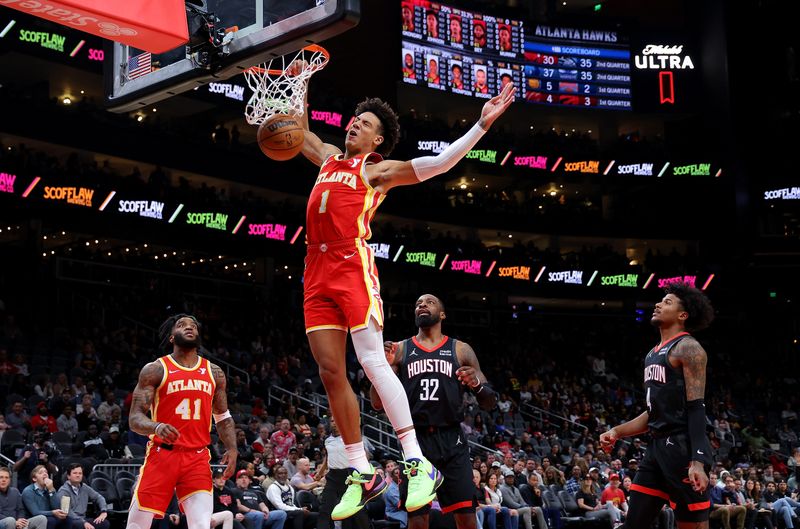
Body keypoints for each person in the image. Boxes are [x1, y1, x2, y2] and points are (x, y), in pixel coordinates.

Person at [293, 53, 515, 520]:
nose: (353, 125)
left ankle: (415, 460)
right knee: (331, 372)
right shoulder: (329, 159)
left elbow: (438, 163)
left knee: (372, 359)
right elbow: (300, 133)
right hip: (315, 269)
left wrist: (480, 126)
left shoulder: (375, 171)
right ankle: (362, 470)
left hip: (352, 264)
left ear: (378, 139)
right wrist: (299, 84)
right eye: (354, 119)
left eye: (364, 123)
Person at [374, 294, 497, 529]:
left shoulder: (460, 349)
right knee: (418, 519)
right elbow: (377, 403)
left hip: (452, 440)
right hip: (415, 441)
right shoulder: (400, 349)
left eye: (429, 302)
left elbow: (489, 402)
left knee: (467, 518)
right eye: (417, 303)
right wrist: (383, 368)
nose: (421, 304)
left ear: (442, 314)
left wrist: (477, 385)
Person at [600, 282, 715, 529]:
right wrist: (617, 431)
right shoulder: (652, 354)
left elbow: (696, 407)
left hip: (682, 449)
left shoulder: (689, 348)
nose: (658, 304)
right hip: (655, 448)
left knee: (692, 525)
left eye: (667, 302)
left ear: (682, 315)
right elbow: (654, 412)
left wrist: (698, 460)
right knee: (634, 523)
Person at [124, 315, 237, 529]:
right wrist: (156, 426)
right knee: (137, 526)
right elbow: (134, 418)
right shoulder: (155, 369)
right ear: (171, 337)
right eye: (182, 325)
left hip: (197, 457)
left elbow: (223, 417)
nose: (189, 327)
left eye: (193, 326)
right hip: (162, 455)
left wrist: (232, 448)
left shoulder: (214, 373)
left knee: (201, 525)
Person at [316, 418, 369, 529]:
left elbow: (364, 454)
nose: (334, 423)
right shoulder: (327, 439)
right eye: (331, 421)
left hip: (349, 476)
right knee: (325, 508)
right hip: (332, 476)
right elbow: (328, 456)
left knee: (356, 509)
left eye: (336, 420)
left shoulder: (349, 437)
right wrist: (320, 472)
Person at [55, 463, 109, 529]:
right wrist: (83, 522)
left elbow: (99, 497)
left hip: (84, 519)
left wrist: (103, 511)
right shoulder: (63, 491)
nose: (78, 475)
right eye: (75, 473)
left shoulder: (85, 487)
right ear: (68, 476)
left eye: (80, 473)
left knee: (104, 523)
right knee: (79, 525)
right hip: (71, 520)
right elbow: (67, 512)